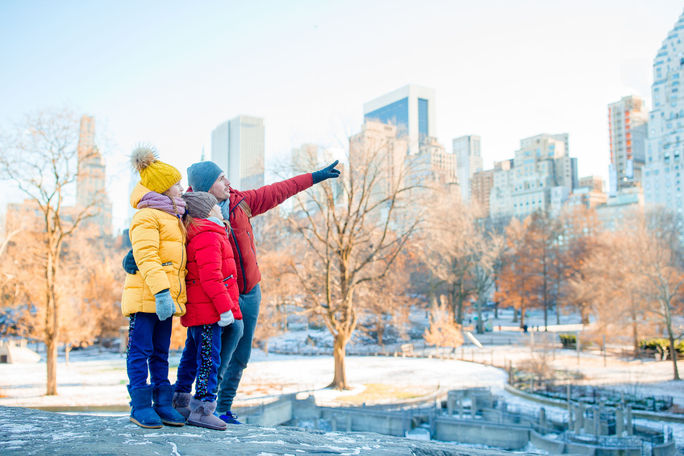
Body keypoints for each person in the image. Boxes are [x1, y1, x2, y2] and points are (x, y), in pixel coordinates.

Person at [186, 159, 340, 423]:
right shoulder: (190, 215)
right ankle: (203, 407)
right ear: (206, 186)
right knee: (214, 355)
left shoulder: (240, 202)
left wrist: (315, 177)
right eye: (222, 178)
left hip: (250, 292)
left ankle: (224, 408)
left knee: (242, 356)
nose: (228, 182)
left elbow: (281, 189)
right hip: (218, 296)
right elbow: (160, 235)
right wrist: (133, 260)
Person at [121, 146, 188, 429]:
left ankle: (162, 402)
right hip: (147, 295)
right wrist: (161, 293)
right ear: (164, 189)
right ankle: (140, 405)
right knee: (140, 350)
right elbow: (147, 256)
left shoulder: (174, 216)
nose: (182, 188)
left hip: (166, 297)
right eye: (177, 184)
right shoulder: (146, 216)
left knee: (161, 352)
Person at [171, 192, 242, 431]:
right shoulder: (208, 235)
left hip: (199, 311)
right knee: (208, 361)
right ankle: (202, 409)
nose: (221, 209)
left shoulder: (200, 234)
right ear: (207, 211)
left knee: (191, 357)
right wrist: (225, 310)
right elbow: (212, 278)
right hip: (209, 312)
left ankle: (180, 401)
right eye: (216, 206)